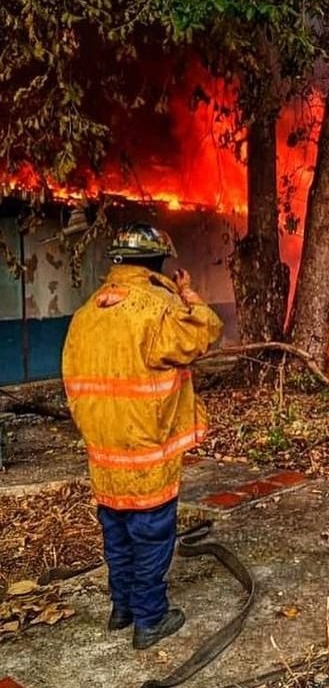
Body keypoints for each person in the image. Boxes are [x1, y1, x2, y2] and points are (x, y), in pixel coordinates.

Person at [62, 223, 223, 649]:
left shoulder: (86, 313)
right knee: (151, 533)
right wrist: (187, 294)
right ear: (157, 264)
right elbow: (206, 332)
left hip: (103, 451)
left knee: (116, 531)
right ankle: (150, 619)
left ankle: (122, 608)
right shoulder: (159, 308)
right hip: (146, 450)